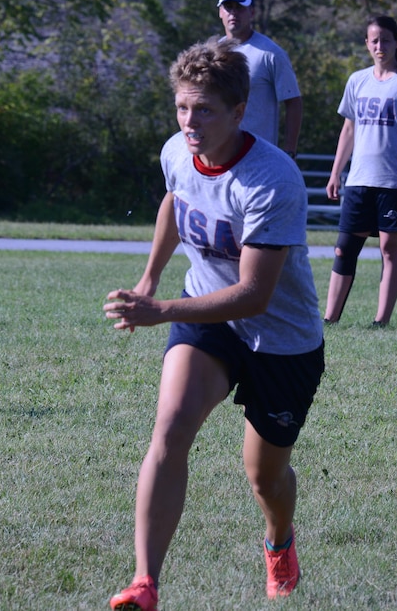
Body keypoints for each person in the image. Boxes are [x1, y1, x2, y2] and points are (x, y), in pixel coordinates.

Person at [103, 39, 324, 610]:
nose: (190, 122)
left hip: (282, 340)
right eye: (182, 107)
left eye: (204, 110)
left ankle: (280, 542)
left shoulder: (272, 179)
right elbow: (176, 202)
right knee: (170, 429)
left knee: (264, 478)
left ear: (238, 112)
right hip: (205, 313)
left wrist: (162, 312)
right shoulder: (178, 150)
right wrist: (151, 278)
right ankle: (145, 583)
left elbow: (254, 294)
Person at [324, 15, 397, 326]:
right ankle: (330, 318)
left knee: (389, 247)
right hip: (360, 179)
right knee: (345, 249)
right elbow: (348, 130)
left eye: (386, 39)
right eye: (374, 40)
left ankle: (381, 320)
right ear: (366, 44)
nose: (379, 45)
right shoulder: (358, 81)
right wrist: (335, 173)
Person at [217, 0, 304, 157]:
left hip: (258, 155)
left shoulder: (271, 53)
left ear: (252, 12)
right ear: (220, 12)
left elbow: (293, 102)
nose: (233, 13)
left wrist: (289, 151)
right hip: (220, 154)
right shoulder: (213, 52)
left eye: (240, 7)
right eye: (228, 7)